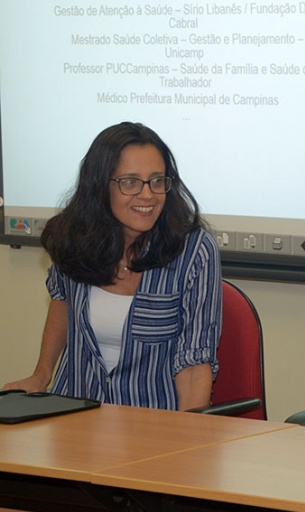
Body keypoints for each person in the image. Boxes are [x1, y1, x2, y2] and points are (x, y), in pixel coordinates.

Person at [2, 122, 221, 411]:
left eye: (157, 180)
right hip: (73, 413)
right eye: (130, 181)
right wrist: (42, 375)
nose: (147, 195)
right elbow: (62, 299)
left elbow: (194, 365)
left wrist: (189, 440)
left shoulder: (193, 250)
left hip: (153, 423)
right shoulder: (73, 236)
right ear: (100, 186)